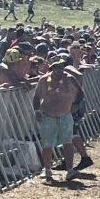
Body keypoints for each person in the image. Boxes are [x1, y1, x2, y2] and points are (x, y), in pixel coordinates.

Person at [34, 56, 83, 184]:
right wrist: (37, 111)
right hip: (48, 116)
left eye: (61, 67)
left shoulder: (69, 79)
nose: (59, 70)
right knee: (47, 144)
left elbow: (81, 93)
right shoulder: (44, 80)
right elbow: (36, 97)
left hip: (65, 115)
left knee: (67, 142)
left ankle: (70, 169)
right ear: (51, 68)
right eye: (56, 68)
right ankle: (48, 169)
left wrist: (76, 105)